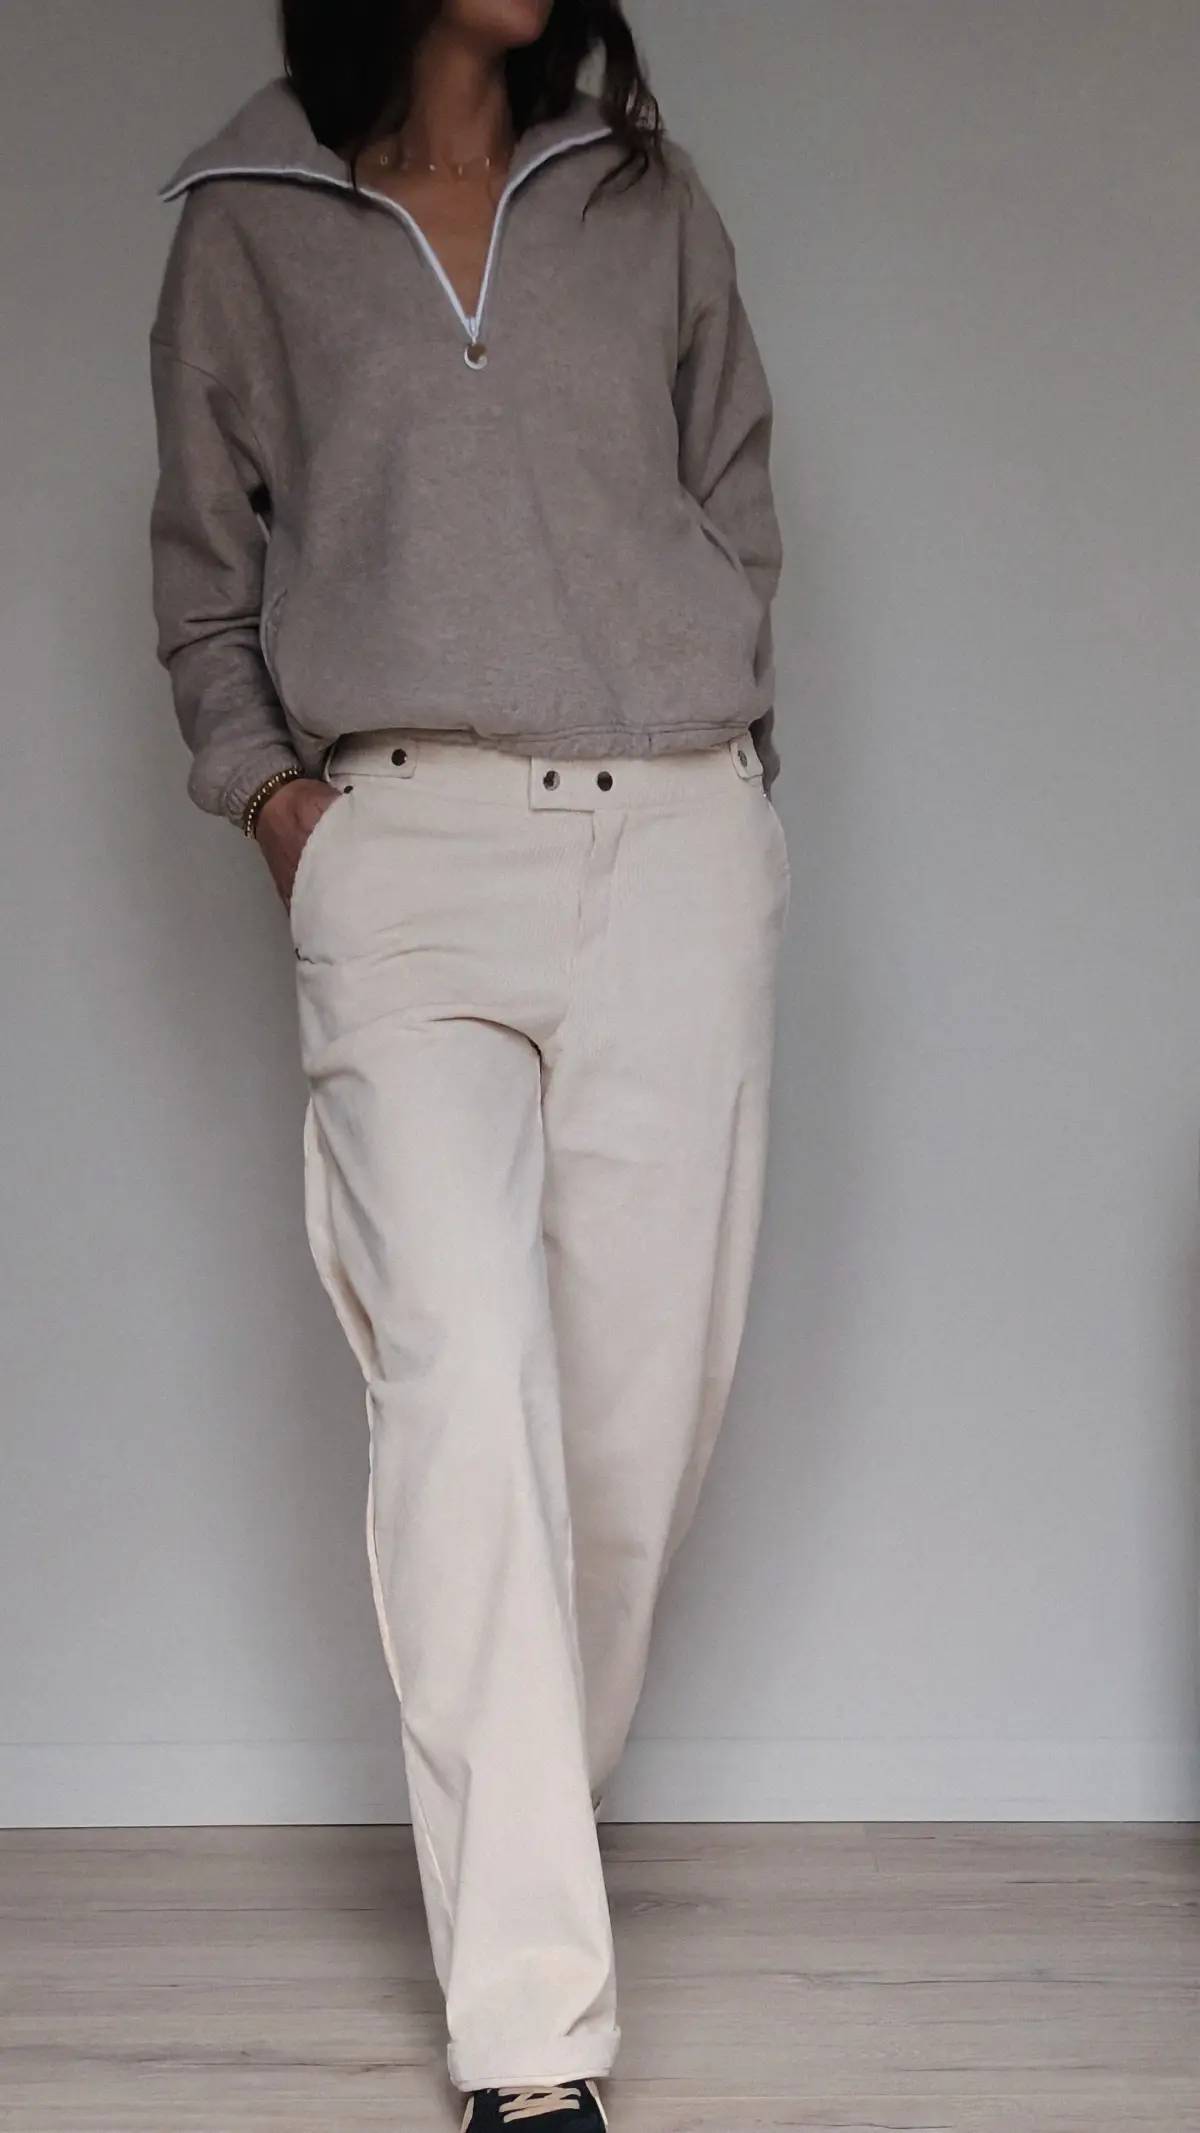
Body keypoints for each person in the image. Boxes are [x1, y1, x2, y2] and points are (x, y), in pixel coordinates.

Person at [148, 1, 787, 2124]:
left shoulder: (647, 201)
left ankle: (520, 1834)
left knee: (629, 1433)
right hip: (404, 857)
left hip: (675, 845)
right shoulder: (245, 219)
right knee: (458, 1392)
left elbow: (739, 508)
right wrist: (284, 814)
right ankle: (531, 2041)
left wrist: (732, 776)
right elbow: (202, 583)